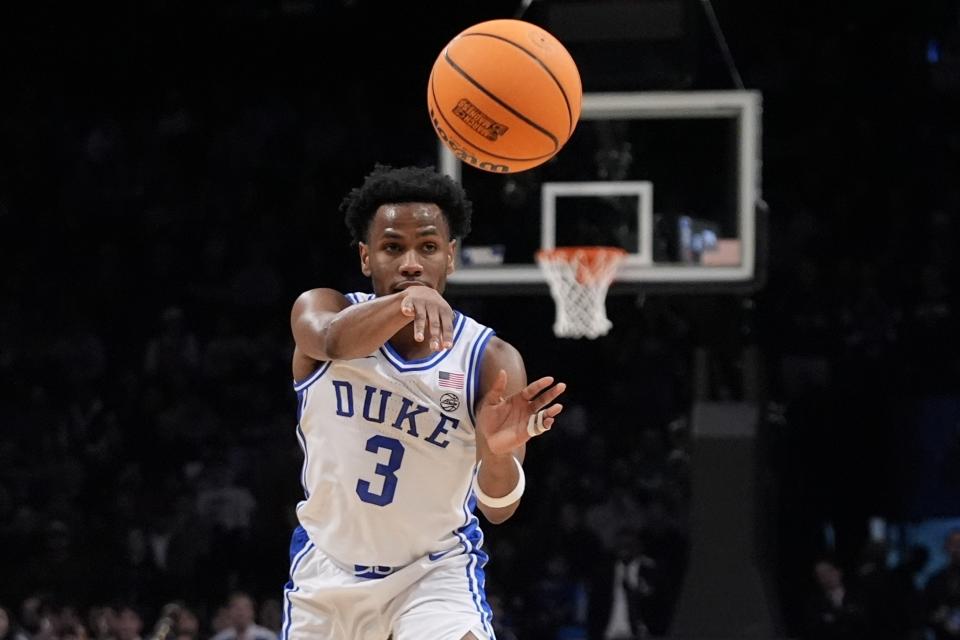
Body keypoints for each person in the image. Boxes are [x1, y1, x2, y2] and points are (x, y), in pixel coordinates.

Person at [283, 164, 567, 640]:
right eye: (393, 247)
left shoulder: (490, 359)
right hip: (328, 571)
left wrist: (495, 454)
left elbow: (498, 508)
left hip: (432, 574)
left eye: (428, 247)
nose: (411, 263)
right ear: (366, 257)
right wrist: (408, 302)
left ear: (451, 258)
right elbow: (330, 342)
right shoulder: (322, 308)